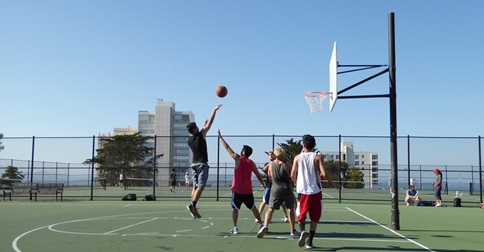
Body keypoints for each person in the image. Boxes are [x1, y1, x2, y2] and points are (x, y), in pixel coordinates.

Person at [290, 134, 341, 249]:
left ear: (303, 144)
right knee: (314, 218)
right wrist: (334, 184)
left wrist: (295, 182)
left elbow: (292, 174)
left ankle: (302, 231)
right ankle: (310, 242)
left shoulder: (297, 157)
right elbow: (324, 174)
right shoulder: (318, 157)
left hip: (302, 191)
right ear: (314, 145)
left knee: (300, 215)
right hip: (315, 191)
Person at [218, 129, 265, 235]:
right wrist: (263, 185)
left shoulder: (238, 158)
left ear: (243, 152)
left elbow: (227, 148)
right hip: (247, 190)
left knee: (235, 209)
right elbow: (258, 175)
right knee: (253, 207)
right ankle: (261, 225)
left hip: (238, 189)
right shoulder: (251, 162)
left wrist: (221, 138)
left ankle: (235, 227)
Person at [186, 104, 222, 219]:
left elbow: (200, 132)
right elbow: (210, 122)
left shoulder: (189, 139)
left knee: (195, 187)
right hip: (202, 164)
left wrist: (203, 127)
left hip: (194, 164)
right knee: (201, 186)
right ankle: (193, 205)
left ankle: (193, 206)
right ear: (195, 129)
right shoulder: (201, 135)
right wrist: (214, 110)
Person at [257, 147, 297, 238]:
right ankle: (292, 230)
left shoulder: (271, 165)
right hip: (286, 189)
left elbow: (270, 177)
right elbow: (292, 176)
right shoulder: (287, 165)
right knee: (290, 209)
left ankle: (265, 225)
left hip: (275, 189)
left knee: (270, 208)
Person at [257, 151, 289, 223]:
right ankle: (258, 216)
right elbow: (264, 169)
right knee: (265, 201)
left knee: (282, 203)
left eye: (272, 154)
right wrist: (270, 164)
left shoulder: (279, 163)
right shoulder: (268, 164)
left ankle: (285, 216)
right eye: (269, 155)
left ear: (275, 156)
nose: (270, 156)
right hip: (269, 186)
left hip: (278, 186)